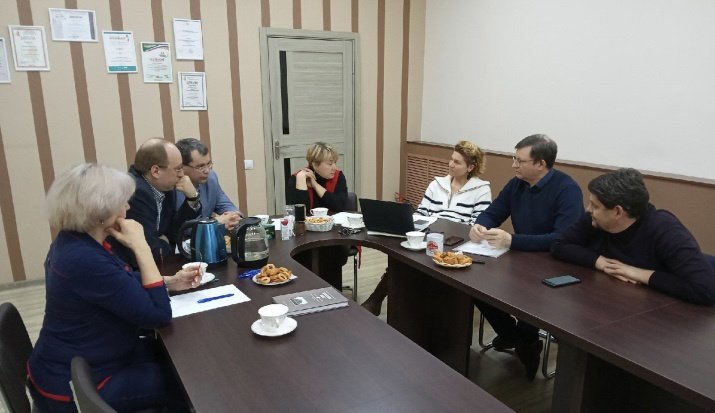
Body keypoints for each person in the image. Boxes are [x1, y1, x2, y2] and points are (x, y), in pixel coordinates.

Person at [27, 163, 201, 413]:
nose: (127, 208)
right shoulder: (84, 259)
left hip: (92, 356)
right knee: (187, 381)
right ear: (101, 211)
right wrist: (141, 246)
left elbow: (119, 280)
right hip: (79, 383)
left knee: (184, 356)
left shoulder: (73, 241)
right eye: (122, 202)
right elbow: (158, 315)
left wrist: (169, 281)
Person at [469, 134, 584, 380]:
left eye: (519, 160)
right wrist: (480, 225)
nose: (514, 165)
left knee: (529, 300)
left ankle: (526, 343)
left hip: (554, 264)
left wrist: (513, 241)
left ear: (541, 164)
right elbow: (493, 212)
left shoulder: (567, 190)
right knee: (475, 284)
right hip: (519, 258)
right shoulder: (517, 184)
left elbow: (562, 239)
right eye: (514, 158)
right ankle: (515, 337)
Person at [362, 140, 492, 315]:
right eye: (451, 159)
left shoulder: (481, 190)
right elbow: (421, 213)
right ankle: (377, 301)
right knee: (401, 259)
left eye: (457, 162)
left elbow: (476, 225)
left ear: (470, 167)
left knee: (416, 264)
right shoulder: (437, 184)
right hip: (430, 236)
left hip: (458, 244)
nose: (451, 164)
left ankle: (378, 301)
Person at [552, 168, 715, 305]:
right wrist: (601, 262)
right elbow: (560, 245)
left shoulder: (664, 229)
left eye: (595, 205)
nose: (588, 209)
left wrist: (638, 273)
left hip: (663, 317)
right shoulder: (594, 219)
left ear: (618, 212)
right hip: (616, 302)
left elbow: (705, 289)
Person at [111, 137, 201, 267]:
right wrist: (166, 244)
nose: (182, 174)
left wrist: (192, 198)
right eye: (178, 169)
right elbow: (150, 250)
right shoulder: (136, 192)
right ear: (156, 171)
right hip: (128, 268)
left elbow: (175, 232)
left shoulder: (164, 186)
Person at [286, 142, 349, 289]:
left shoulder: (338, 177)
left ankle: (332, 294)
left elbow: (339, 205)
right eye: (330, 163)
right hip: (304, 237)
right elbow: (299, 215)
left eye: (335, 163)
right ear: (315, 164)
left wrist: (315, 185)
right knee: (303, 254)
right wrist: (302, 180)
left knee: (329, 253)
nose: (334, 167)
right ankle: (308, 292)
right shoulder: (296, 179)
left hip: (333, 236)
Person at [175, 138, 243, 230]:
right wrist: (216, 222)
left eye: (208, 164)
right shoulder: (172, 187)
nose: (207, 170)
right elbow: (182, 228)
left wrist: (234, 216)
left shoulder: (211, 178)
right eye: (200, 166)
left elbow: (225, 204)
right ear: (182, 167)